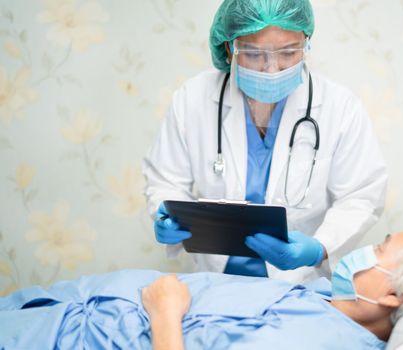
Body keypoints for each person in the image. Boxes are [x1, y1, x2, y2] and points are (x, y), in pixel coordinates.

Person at [142, 0, 388, 283]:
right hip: (215, 282)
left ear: (306, 43)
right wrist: (167, 214)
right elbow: (165, 179)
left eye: (288, 52)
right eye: (254, 53)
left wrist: (320, 247)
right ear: (228, 48)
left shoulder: (339, 106)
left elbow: (361, 195)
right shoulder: (193, 98)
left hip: (300, 283)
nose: (272, 68)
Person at [0, 228, 403, 349]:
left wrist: (165, 312)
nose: (366, 248)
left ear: (396, 297)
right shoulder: (325, 301)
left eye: (381, 248)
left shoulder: (325, 342)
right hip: (57, 305)